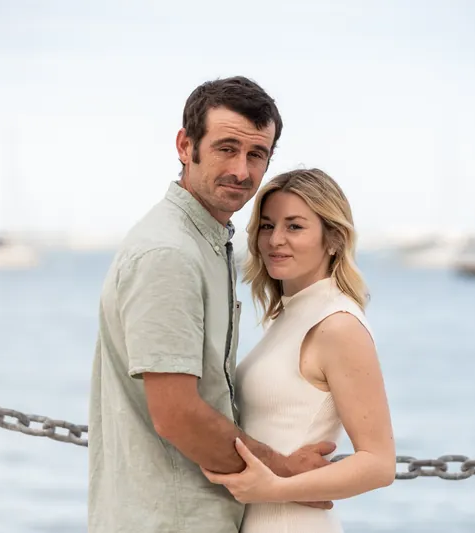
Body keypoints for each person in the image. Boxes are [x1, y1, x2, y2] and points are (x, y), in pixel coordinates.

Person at [88, 77, 338, 533]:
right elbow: (178, 414)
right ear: (186, 146)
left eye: (256, 154)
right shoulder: (170, 255)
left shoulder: (204, 242)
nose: (241, 171)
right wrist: (286, 472)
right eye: (226, 148)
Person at [202, 168, 396, 532]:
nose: (276, 239)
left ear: (334, 238)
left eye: (294, 226)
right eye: (266, 225)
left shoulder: (338, 324)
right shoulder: (290, 315)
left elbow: (379, 464)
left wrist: (277, 488)